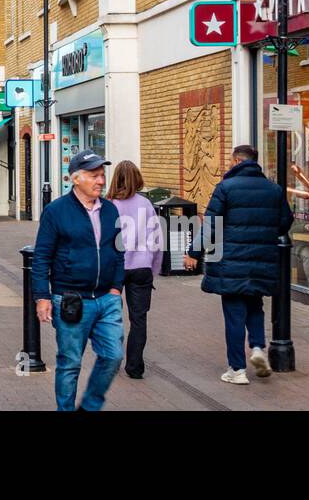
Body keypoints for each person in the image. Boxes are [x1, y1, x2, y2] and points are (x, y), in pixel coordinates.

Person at [185, 144, 294, 385]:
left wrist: (193, 252)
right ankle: (256, 348)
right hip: (261, 262)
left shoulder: (226, 188)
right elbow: (285, 221)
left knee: (234, 314)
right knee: (255, 306)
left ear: (236, 161)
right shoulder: (273, 190)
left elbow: (211, 226)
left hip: (231, 263)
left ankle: (237, 370)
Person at [31, 150, 125, 412]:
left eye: (102, 175)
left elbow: (119, 251)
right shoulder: (56, 211)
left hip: (107, 298)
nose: (101, 181)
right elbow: (42, 257)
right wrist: (42, 297)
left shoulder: (110, 210)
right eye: (94, 176)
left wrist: (117, 288)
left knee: (113, 355)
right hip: (71, 300)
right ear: (76, 179)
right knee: (70, 363)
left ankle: (91, 405)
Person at [107, 160, 163, 379]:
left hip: (114, 269)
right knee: (139, 319)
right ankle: (135, 367)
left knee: (111, 317)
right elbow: (157, 241)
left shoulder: (108, 205)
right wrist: (153, 269)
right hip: (141, 268)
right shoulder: (146, 205)